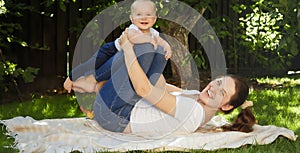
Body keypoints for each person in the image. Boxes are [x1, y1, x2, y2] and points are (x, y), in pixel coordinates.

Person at [68, 29, 256, 134]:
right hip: (126, 106)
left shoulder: (192, 111)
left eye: (222, 93)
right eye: (218, 82)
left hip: (115, 116)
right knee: (154, 51)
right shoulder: (198, 99)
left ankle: (95, 81)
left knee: (138, 49)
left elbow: (143, 89)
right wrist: (161, 50)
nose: (214, 88)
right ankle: (97, 82)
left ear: (226, 106)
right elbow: (162, 86)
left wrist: (128, 49)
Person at [64, 0, 172, 93]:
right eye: (139, 15)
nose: (144, 18)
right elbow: (133, 38)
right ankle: (71, 77)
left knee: (111, 72)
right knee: (91, 64)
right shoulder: (133, 29)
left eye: (148, 15)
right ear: (132, 19)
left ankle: (96, 85)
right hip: (110, 50)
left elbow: (161, 41)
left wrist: (167, 47)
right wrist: (148, 39)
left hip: (122, 57)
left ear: (154, 19)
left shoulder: (153, 32)